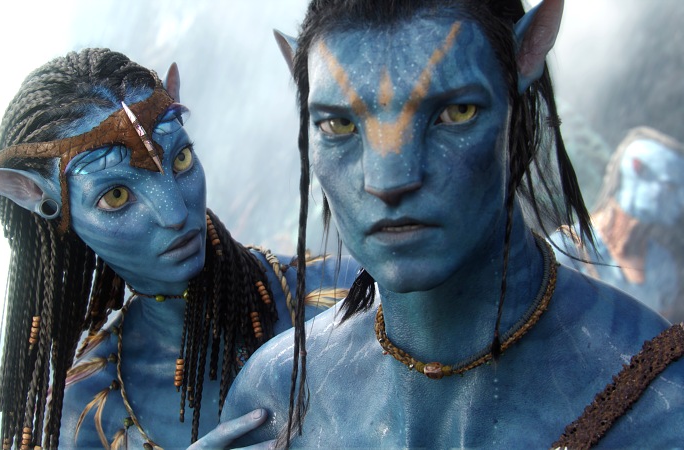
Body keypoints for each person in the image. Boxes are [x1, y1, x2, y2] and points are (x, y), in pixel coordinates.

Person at [221, 0, 684, 447]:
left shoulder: (659, 403)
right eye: (339, 125)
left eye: (453, 114)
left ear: (526, 57)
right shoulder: (274, 399)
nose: (388, 181)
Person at [0, 48, 356, 449]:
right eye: (116, 195)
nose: (175, 212)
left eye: (181, 159)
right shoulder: (81, 420)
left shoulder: (354, 296)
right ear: (39, 199)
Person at [554, 126, 684, 323]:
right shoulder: (566, 248)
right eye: (671, 186)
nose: (681, 201)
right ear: (636, 169)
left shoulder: (663, 265)